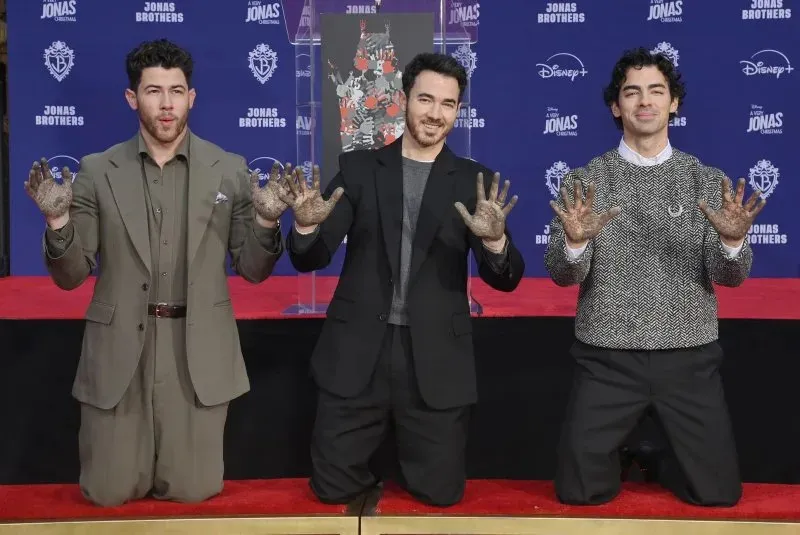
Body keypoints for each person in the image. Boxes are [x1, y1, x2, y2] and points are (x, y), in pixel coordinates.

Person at [23, 39, 289, 506]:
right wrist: (58, 222)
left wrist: (267, 221)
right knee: (106, 495)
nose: (166, 104)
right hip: (120, 352)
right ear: (133, 98)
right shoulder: (95, 171)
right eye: (153, 91)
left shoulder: (229, 170)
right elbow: (70, 275)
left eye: (176, 90)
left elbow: (251, 270)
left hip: (198, 353)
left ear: (192, 97)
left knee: (194, 494)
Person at [274, 52, 525, 506]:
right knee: (330, 492)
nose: (434, 113)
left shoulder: (475, 181)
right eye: (425, 99)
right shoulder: (359, 169)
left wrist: (493, 242)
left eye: (447, 104)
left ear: (457, 111)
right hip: (357, 352)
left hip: (434, 356)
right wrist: (308, 227)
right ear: (404, 99)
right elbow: (311, 257)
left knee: (441, 495)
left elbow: (507, 279)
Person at [544, 47, 766, 507]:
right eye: (632, 92)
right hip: (606, 357)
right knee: (577, 493)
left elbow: (732, 276)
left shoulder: (706, 180)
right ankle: (625, 453)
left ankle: (657, 458)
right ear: (616, 106)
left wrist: (730, 243)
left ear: (673, 103)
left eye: (656, 91)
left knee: (719, 495)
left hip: (689, 358)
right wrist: (576, 243)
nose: (644, 101)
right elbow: (562, 274)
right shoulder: (584, 181)